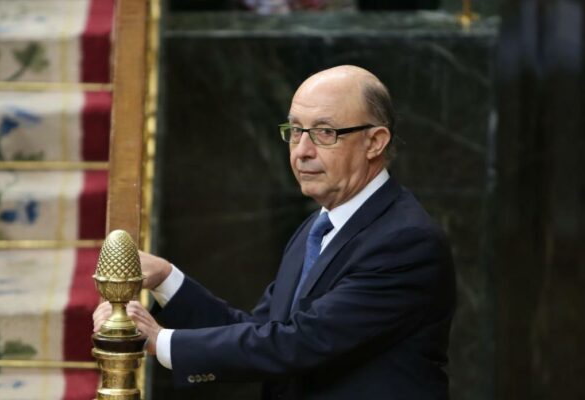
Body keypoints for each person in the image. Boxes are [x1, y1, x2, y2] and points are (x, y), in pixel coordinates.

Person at [94, 65, 455, 399]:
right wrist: (166, 279)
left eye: (324, 133)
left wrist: (162, 341)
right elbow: (263, 329)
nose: (301, 151)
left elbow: (299, 343)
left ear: (375, 142)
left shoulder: (405, 240)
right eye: (296, 131)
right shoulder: (317, 228)